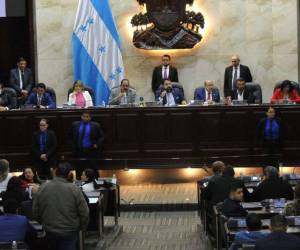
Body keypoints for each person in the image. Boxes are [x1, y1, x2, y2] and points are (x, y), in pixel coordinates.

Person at [32, 162, 89, 250]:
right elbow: (84, 212)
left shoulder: (43, 187)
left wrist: (44, 223)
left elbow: (35, 211)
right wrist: (81, 227)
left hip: (50, 230)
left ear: (55, 172)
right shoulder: (74, 189)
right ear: (70, 174)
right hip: (70, 230)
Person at [69, 111, 104, 177]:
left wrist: (97, 144)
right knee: (79, 168)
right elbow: (69, 135)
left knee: (94, 168)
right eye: (84, 116)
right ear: (81, 117)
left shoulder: (96, 125)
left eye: (87, 116)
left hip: (91, 150)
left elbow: (101, 137)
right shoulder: (75, 124)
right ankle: (78, 183)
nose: (85, 118)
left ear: (90, 118)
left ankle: (96, 182)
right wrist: (72, 145)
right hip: (79, 150)